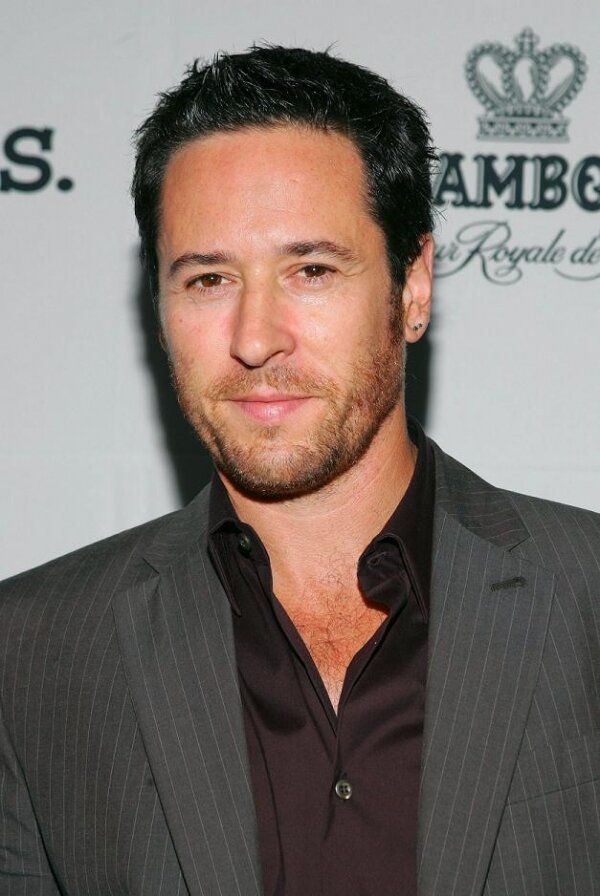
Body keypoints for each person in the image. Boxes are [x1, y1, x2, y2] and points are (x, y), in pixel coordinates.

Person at [1, 45, 599, 896]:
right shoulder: (30, 655)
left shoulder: (587, 600)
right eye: (209, 279)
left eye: (310, 271)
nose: (255, 338)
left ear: (413, 286)